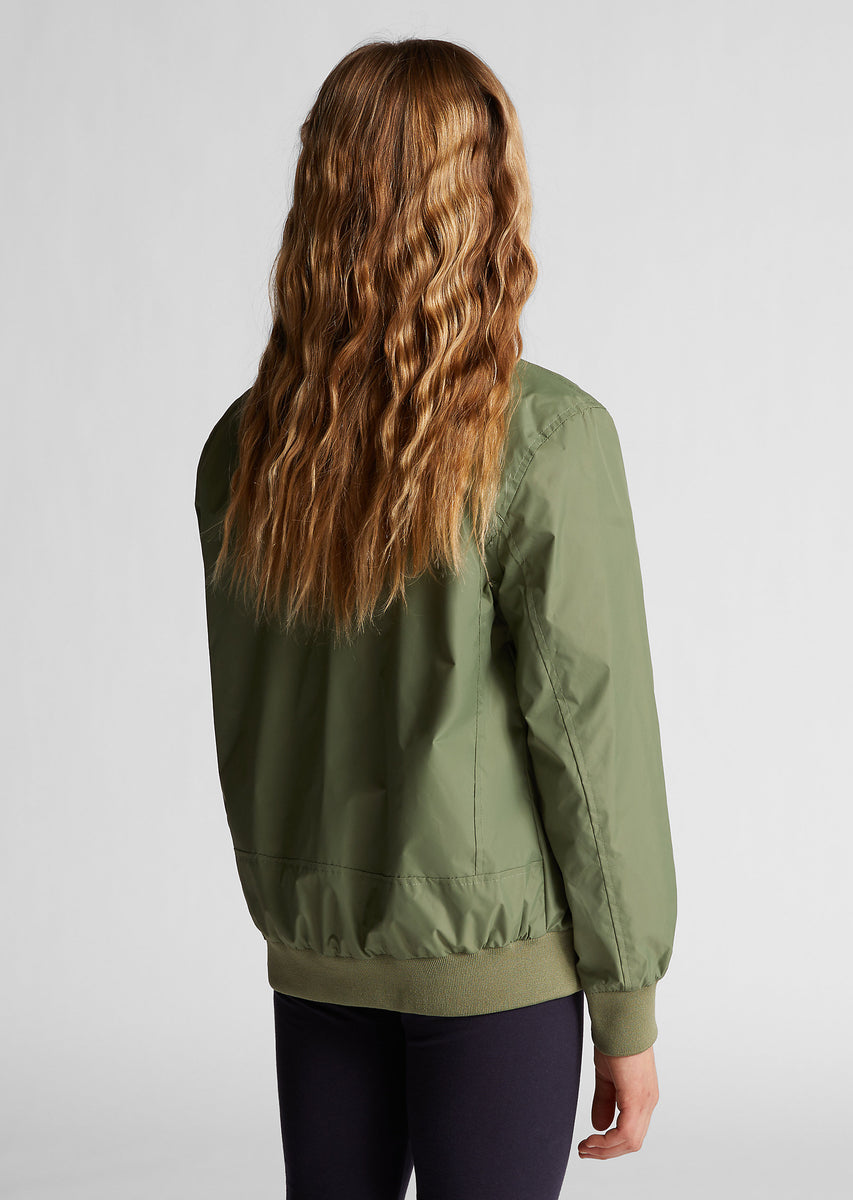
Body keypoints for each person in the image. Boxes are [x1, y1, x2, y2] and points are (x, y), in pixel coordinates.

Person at [194, 36, 677, 1200]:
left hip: (315, 960)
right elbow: (591, 747)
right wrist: (628, 1001)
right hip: (494, 974)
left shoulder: (246, 451)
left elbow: (251, 723)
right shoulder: (546, 444)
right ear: (488, 195)